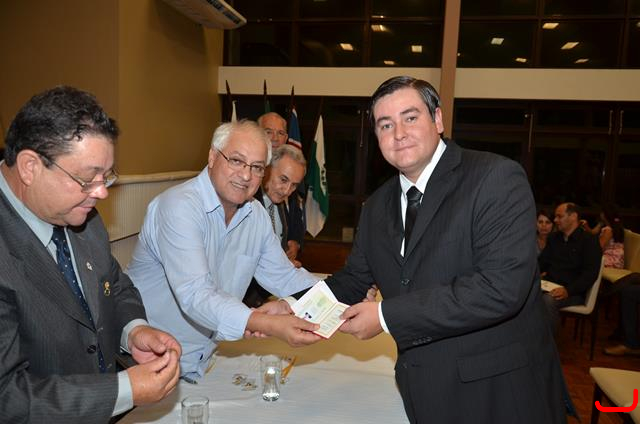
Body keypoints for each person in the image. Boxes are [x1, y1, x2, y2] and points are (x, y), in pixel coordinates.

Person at [300, 76, 569, 422]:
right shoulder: (376, 205)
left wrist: (385, 317)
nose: (399, 133)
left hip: (498, 395)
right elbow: (354, 278)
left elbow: (500, 289)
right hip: (422, 388)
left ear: (438, 119)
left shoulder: (495, 178)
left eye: (410, 117)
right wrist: (294, 307)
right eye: (386, 125)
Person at [0, 86, 181, 423]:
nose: (101, 192)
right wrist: (124, 390)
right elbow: (7, 398)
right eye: (86, 178)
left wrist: (134, 331)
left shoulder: (83, 217)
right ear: (29, 167)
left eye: (105, 176)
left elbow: (113, 284)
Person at [126, 120, 322, 380]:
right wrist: (265, 323)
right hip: (145, 360)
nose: (246, 176)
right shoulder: (178, 206)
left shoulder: (256, 215)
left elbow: (284, 276)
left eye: (256, 167)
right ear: (212, 157)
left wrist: (343, 292)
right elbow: (196, 294)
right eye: (237, 161)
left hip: (203, 359)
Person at [243, 144, 307, 307]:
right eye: (283, 180)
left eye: (294, 185)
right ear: (267, 169)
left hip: (270, 295)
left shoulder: (279, 202)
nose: (286, 191)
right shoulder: (244, 202)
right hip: (243, 301)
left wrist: (283, 264)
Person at [540, 203, 602, 308]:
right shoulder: (554, 238)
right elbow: (541, 263)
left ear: (573, 216)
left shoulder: (589, 241)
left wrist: (568, 290)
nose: (555, 220)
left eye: (559, 216)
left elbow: (590, 274)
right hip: (549, 286)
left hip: (573, 292)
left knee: (547, 300)